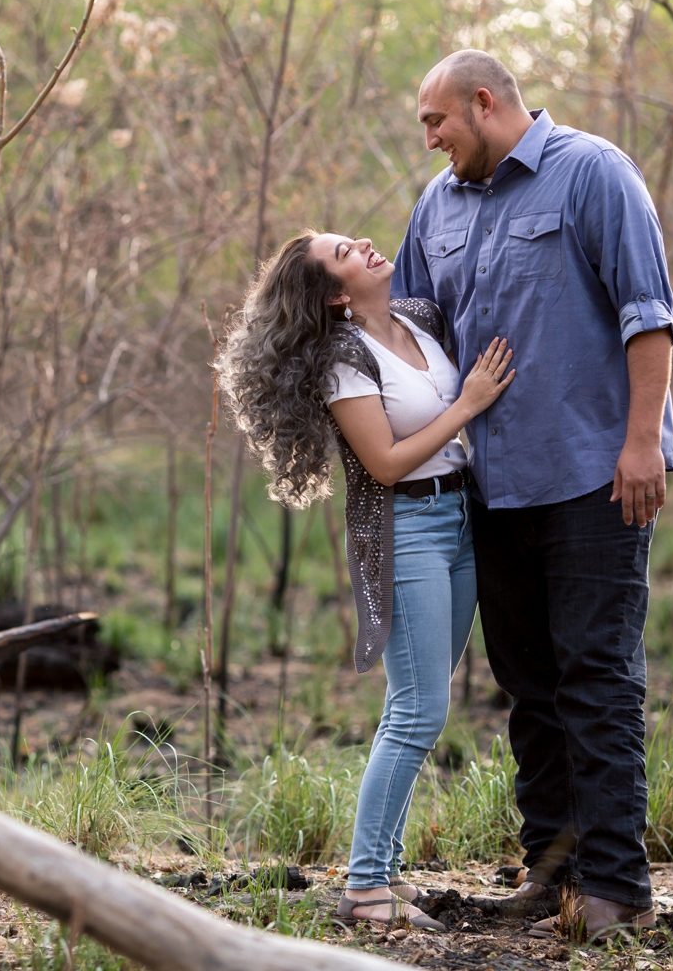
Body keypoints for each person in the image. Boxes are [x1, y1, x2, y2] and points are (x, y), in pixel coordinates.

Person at [389, 49, 673, 940]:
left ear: (484, 104)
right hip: (493, 485)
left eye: (437, 121)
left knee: (595, 678)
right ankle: (552, 873)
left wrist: (640, 445)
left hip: (596, 476)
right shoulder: (437, 205)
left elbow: (648, 314)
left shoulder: (592, 173)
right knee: (529, 686)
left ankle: (616, 891)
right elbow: (404, 330)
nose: (430, 139)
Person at [218, 228, 515, 931]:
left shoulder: (420, 318)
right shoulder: (343, 361)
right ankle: (365, 887)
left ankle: (380, 868)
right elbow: (384, 463)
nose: (368, 244)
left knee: (416, 704)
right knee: (419, 712)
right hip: (406, 529)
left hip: (462, 521)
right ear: (337, 294)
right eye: (347, 251)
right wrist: (468, 405)